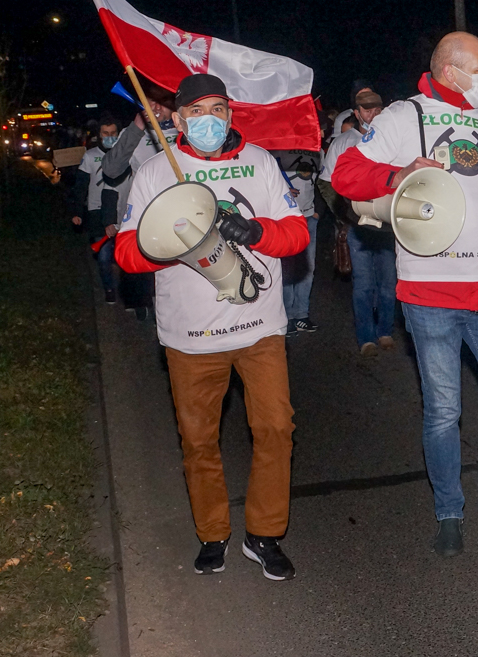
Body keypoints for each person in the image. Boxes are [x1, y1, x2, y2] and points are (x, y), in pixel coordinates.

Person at [331, 32, 478, 556]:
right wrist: (397, 171)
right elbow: (344, 173)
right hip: (430, 292)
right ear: (450, 69)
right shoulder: (405, 117)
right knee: (444, 408)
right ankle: (449, 510)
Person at [114, 73, 309, 579]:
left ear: (230, 115)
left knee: (275, 428)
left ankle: (264, 533)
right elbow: (127, 252)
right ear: (177, 120)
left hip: (259, 327)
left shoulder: (260, 162)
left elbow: (296, 234)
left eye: (217, 110)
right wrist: (168, 244)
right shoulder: (157, 172)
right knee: (199, 439)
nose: (208, 121)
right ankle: (212, 532)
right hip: (190, 336)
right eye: (196, 112)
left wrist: (258, 231)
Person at [318, 88, 398, 354]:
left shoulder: (393, 141)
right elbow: (326, 183)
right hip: (357, 229)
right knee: (364, 285)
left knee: (388, 284)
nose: (373, 114)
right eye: (366, 109)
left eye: (377, 108)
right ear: (356, 112)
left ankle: (385, 330)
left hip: (387, 228)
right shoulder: (343, 142)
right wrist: (343, 217)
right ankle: (366, 337)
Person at [102, 87, 178, 320]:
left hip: (182, 217)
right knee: (153, 279)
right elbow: (111, 169)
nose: (155, 108)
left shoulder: (186, 127)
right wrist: (137, 128)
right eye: (149, 102)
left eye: (162, 102)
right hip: (149, 222)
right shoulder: (133, 133)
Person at [273, 130, 323, 335]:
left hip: (309, 218)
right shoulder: (278, 149)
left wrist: (318, 210)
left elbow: (321, 182)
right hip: (285, 219)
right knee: (287, 269)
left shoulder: (317, 150)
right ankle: (287, 317)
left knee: (308, 269)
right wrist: (282, 190)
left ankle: (301, 314)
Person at [71, 116, 121, 302]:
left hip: (122, 211)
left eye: (113, 133)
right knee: (103, 257)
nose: (109, 137)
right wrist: (77, 211)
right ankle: (109, 288)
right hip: (97, 212)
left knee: (126, 256)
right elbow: (81, 186)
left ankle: (132, 294)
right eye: (105, 133)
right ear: (99, 135)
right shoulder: (90, 156)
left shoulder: (125, 154)